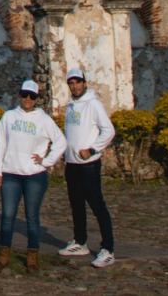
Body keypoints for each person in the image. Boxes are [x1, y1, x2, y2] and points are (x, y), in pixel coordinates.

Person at [0, 78, 66, 274]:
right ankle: (3, 255)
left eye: (32, 96)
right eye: (25, 95)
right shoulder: (9, 117)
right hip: (11, 173)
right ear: (20, 95)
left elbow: (60, 141)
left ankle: (32, 256)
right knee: (8, 215)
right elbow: (1, 143)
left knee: (32, 216)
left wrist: (46, 161)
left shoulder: (43, 119)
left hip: (34, 175)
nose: (27, 99)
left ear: (36, 99)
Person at [60, 68, 117, 268]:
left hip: (88, 165)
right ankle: (80, 241)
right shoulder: (71, 105)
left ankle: (108, 248)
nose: (75, 86)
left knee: (97, 205)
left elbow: (108, 130)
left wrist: (92, 149)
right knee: (76, 205)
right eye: (71, 83)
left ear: (84, 83)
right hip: (72, 164)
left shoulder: (93, 104)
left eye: (78, 82)